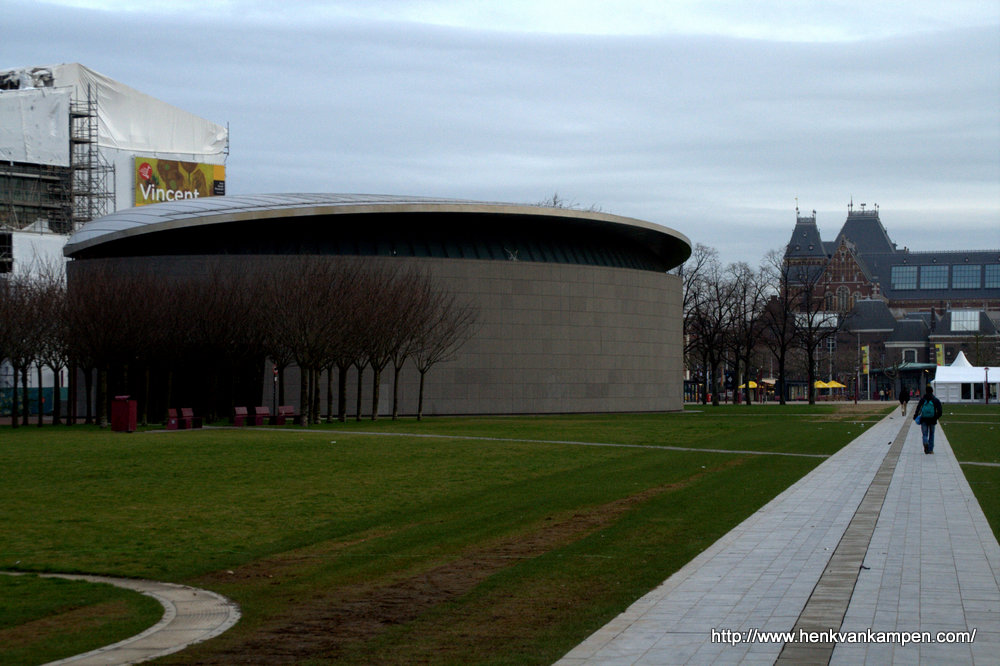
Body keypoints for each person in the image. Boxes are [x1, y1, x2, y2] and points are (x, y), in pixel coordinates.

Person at [913, 385, 943, 454]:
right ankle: (930, 449)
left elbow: (918, 408)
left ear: (925, 391)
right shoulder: (935, 399)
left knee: (925, 434)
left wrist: (915, 416)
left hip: (924, 419)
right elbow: (940, 411)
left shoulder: (923, 399)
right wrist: (936, 417)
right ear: (932, 391)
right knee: (932, 434)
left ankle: (925, 442)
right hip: (932, 419)